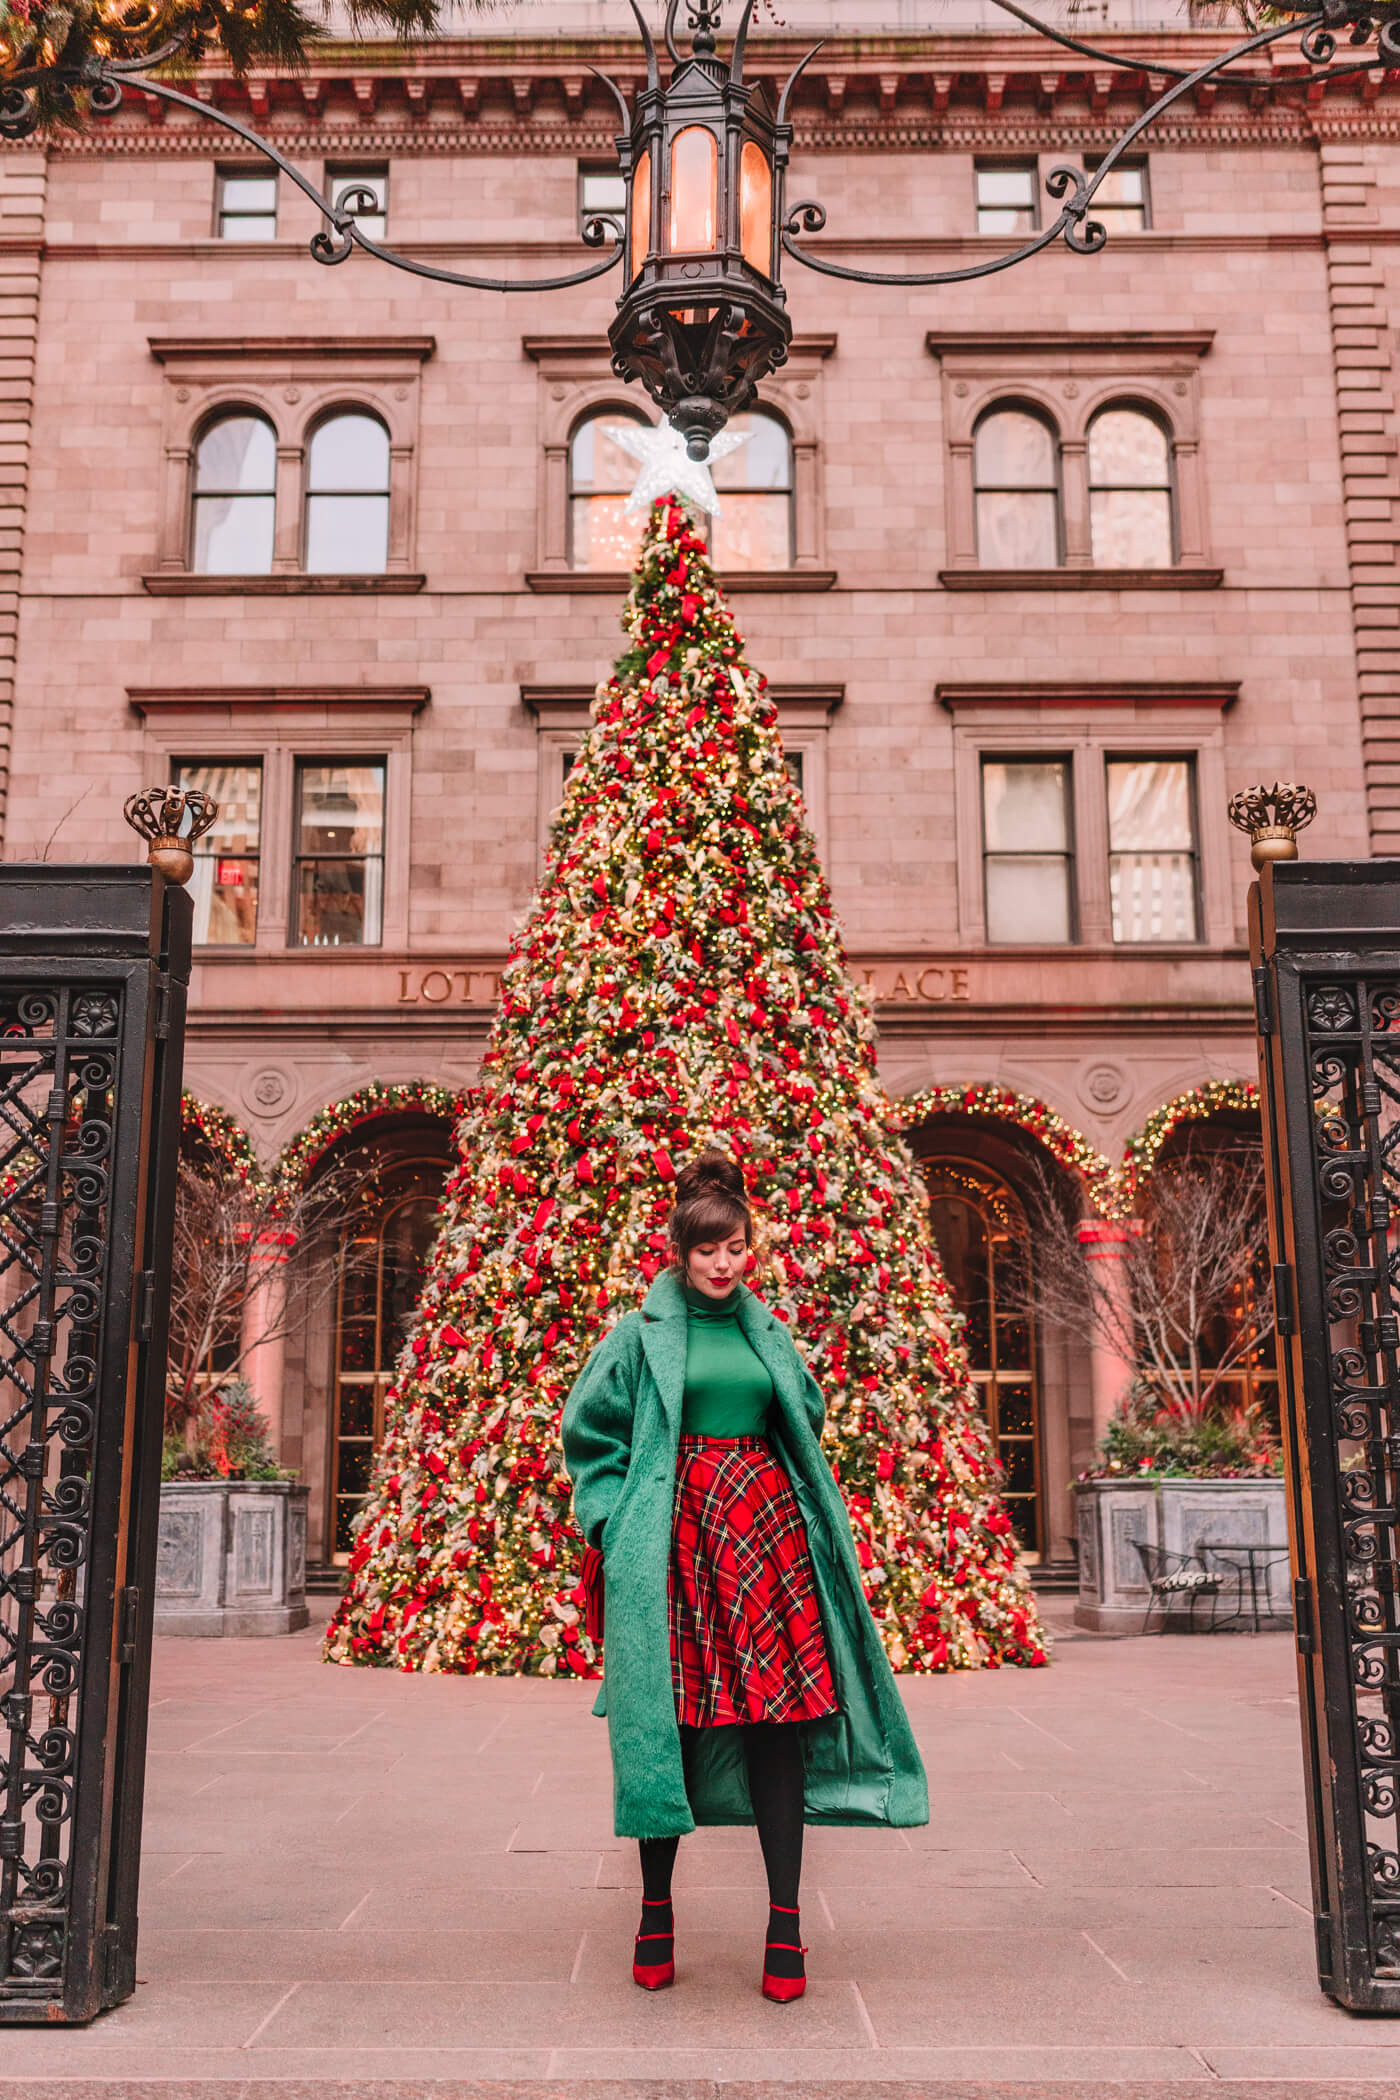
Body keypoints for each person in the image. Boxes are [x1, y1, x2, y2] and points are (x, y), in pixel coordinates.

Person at [561, 1150, 928, 2003]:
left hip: (765, 1538)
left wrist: (789, 1494)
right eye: (707, 1252)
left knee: (778, 1725)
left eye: (736, 1249)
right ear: (681, 1254)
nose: (723, 1264)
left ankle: (786, 1925)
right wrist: (613, 1524)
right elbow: (590, 1434)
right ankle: (655, 1913)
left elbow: (803, 1410)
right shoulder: (637, 1336)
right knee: (672, 1726)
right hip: (677, 1541)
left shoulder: (768, 1332)